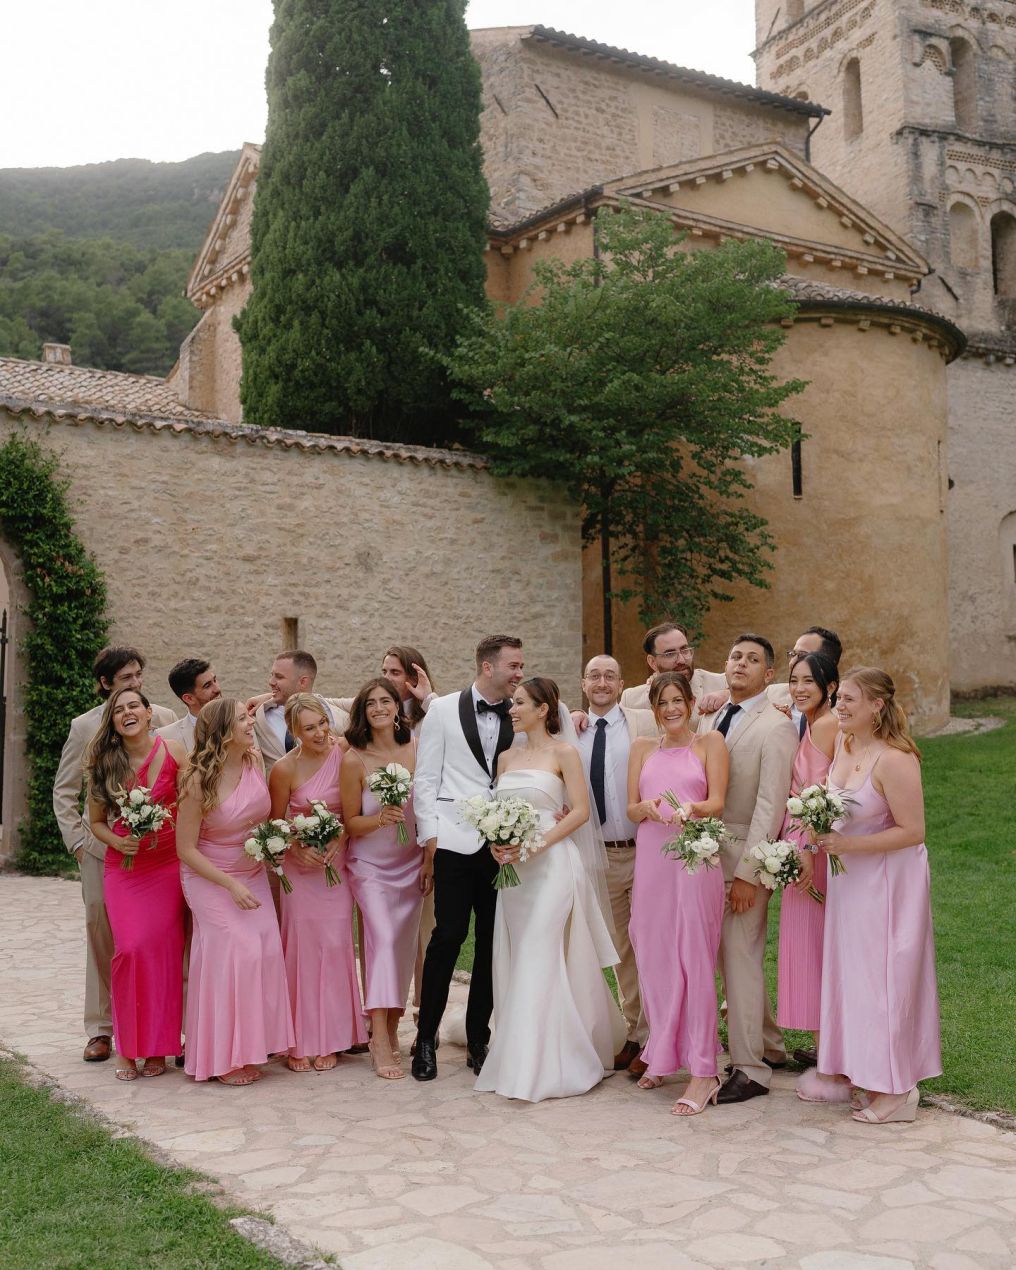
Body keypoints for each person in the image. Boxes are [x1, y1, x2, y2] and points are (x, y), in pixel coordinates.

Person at [802, 667, 941, 1124]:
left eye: (849, 700)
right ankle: (868, 1074)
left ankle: (899, 1089)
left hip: (889, 885)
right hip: (851, 884)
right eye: (839, 698)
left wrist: (848, 846)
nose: (839, 706)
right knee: (857, 980)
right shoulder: (846, 745)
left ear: (877, 706)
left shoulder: (896, 758)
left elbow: (914, 831)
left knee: (888, 979)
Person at [475, 677, 624, 1102]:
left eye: (520, 703)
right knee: (519, 956)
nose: (512, 710)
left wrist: (536, 844)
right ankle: (521, 1051)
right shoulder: (506, 758)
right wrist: (498, 844)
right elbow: (495, 811)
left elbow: (579, 812)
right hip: (515, 875)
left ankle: (541, 1065)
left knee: (541, 953)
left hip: (553, 866)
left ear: (544, 709)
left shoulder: (564, 753)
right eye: (512, 704)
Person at [52, 644, 176, 1063]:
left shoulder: (162, 719)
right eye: (126, 678)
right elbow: (65, 792)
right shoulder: (83, 727)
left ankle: (160, 1026)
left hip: (157, 855)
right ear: (105, 684)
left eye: (138, 676)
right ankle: (101, 1028)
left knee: (149, 938)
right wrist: (79, 843)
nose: (136, 683)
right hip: (100, 850)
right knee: (103, 934)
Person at [411, 634, 525, 1082]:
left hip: (503, 849)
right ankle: (424, 1038)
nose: (519, 673)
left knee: (492, 944)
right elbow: (426, 778)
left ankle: (479, 1037)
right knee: (448, 938)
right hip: (454, 844)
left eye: (521, 666)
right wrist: (430, 836)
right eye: (513, 666)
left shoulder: (521, 711)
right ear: (486, 666)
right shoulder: (441, 710)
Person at [699, 634, 799, 1104]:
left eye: (753, 659)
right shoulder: (713, 714)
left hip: (742, 860)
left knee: (739, 961)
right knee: (728, 959)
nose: (741, 663)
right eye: (736, 656)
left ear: (769, 674)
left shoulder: (776, 727)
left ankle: (750, 1068)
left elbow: (770, 804)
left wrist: (749, 872)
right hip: (704, 858)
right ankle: (771, 1047)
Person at [175, 697, 294, 1084]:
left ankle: (253, 1047)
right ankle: (223, 1058)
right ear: (223, 732)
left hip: (252, 870)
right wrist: (229, 884)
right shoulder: (197, 780)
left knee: (264, 950)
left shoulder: (253, 760)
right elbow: (185, 849)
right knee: (235, 951)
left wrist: (271, 844)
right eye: (242, 719)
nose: (250, 723)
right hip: (211, 876)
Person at [627, 672, 729, 1114]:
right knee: (652, 953)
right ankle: (662, 1053)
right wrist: (646, 808)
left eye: (677, 700)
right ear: (654, 709)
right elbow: (631, 808)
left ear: (690, 702)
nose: (670, 708)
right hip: (651, 860)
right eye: (662, 702)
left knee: (694, 958)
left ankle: (704, 1072)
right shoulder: (641, 748)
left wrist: (693, 808)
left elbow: (718, 801)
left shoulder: (710, 744)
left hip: (692, 859)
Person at [84, 687, 188, 1080]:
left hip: (167, 864)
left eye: (134, 706)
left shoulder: (176, 752)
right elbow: (96, 821)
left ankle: (159, 1047)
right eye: (118, 709)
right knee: (129, 950)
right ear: (112, 721)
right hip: (125, 869)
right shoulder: (104, 762)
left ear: (149, 713)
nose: (127, 713)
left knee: (163, 952)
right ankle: (128, 1048)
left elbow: (195, 799)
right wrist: (116, 839)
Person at [268, 693, 366, 1073]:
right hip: (300, 869)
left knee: (336, 943)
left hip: (335, 865)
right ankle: (298, 1039)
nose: (321, 732)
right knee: (301, 949)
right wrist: (294, 848)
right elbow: (274, 823)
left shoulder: (344, 754)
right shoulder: (283, 769)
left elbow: (353, 810)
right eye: (310, 728)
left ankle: (332, 1038)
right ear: (294, 731)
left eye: (323, 723)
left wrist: (337, 838)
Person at [573, 653, 657, 1072]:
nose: (602, 682)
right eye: (594, 676)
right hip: (598, 857)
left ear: (623, 684)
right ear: (583, 684)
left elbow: (691, 714)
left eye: (610, 675)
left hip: (645, 850)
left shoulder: (646, 722)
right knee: (621, 949)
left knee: (651, 942)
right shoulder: (569, 732)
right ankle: (636, 1033)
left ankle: (658, 1034)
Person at [341, 678, 428, 1080]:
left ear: (398, 707)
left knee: (402, 949)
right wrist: (380, 818)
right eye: (371, 702)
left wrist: (429, 858)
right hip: (370, 867)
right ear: (363, 710)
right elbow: (350, 823)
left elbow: (428, 807)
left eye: (386, 701)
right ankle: (377, 1037)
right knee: (383, 941)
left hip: (411, 862)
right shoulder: (353, 758)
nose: (379, 707)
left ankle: (392, 1029)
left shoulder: (417, 748)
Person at [775, 652, 839, 1067]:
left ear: (829, 687)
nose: (799, 689)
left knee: (812, 946)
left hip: (812, 849)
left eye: (808, 682)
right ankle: (825, 1046)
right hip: (801, 842)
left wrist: (808, 852)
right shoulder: (812, 721)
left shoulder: (830, 725)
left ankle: (829, 1051)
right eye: (794, 680)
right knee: (810, 945)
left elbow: (834, 794)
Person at [252, 651, 350, 776]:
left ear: (303, 682)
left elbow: (374, 697)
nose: (271, 682)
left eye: (279, 677)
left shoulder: (339, 715)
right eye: (272, 675)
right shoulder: (257, 715)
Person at [619, 622, 727, 725]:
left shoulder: (722, 684)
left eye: (684, 650)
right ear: (652, 662)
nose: (681, 660)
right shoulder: (631, 700)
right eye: (670, 654)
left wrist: (728, 694)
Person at [157, 658, 222, 752]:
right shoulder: (166, 737)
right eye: (207, 686)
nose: (217, 689)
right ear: (189, 699)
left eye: (215, 680)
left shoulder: (246, 723)